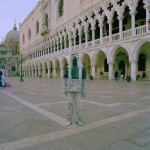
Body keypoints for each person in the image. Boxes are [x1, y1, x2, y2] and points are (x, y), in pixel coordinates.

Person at [64, 57, 86, 126]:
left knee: (78, 106)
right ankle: (68, 120)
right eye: (73, 59)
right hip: (70, 89)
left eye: (75, 59)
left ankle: (80, 120)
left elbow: (84, 80)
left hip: (78, 89)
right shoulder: (68, 67)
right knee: (69, 105)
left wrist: (84, 90)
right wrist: (65, 89)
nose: (74, 60)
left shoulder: (81, 68)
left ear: (78, 59)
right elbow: (65, 80)